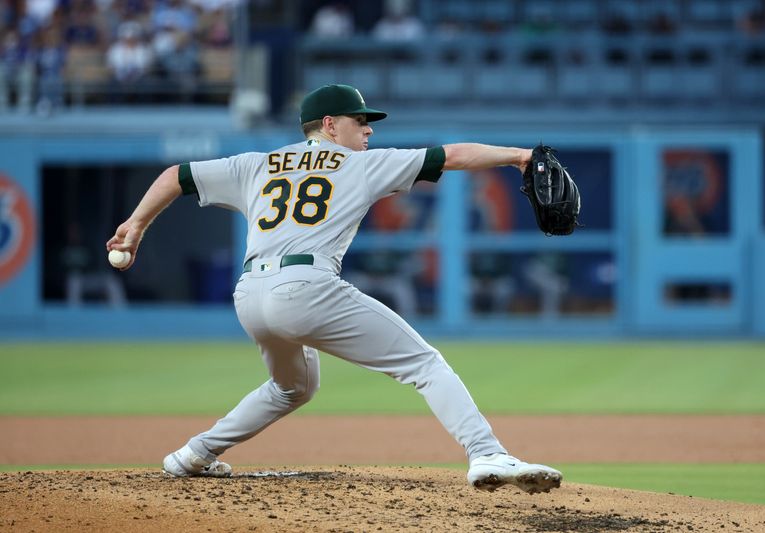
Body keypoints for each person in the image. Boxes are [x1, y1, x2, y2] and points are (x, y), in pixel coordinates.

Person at [106, 84, 563, 495]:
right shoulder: (360, 165)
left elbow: (174, 176)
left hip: (250, 296)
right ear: (329, 125)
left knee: (293, 387)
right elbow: (452, 155)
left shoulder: (255, 164)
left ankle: (192, 455)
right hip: (305, 287)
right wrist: (520, 156)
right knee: (424, 363)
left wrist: (136, 225)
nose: (367, 132)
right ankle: (487, 453)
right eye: (359, 121)